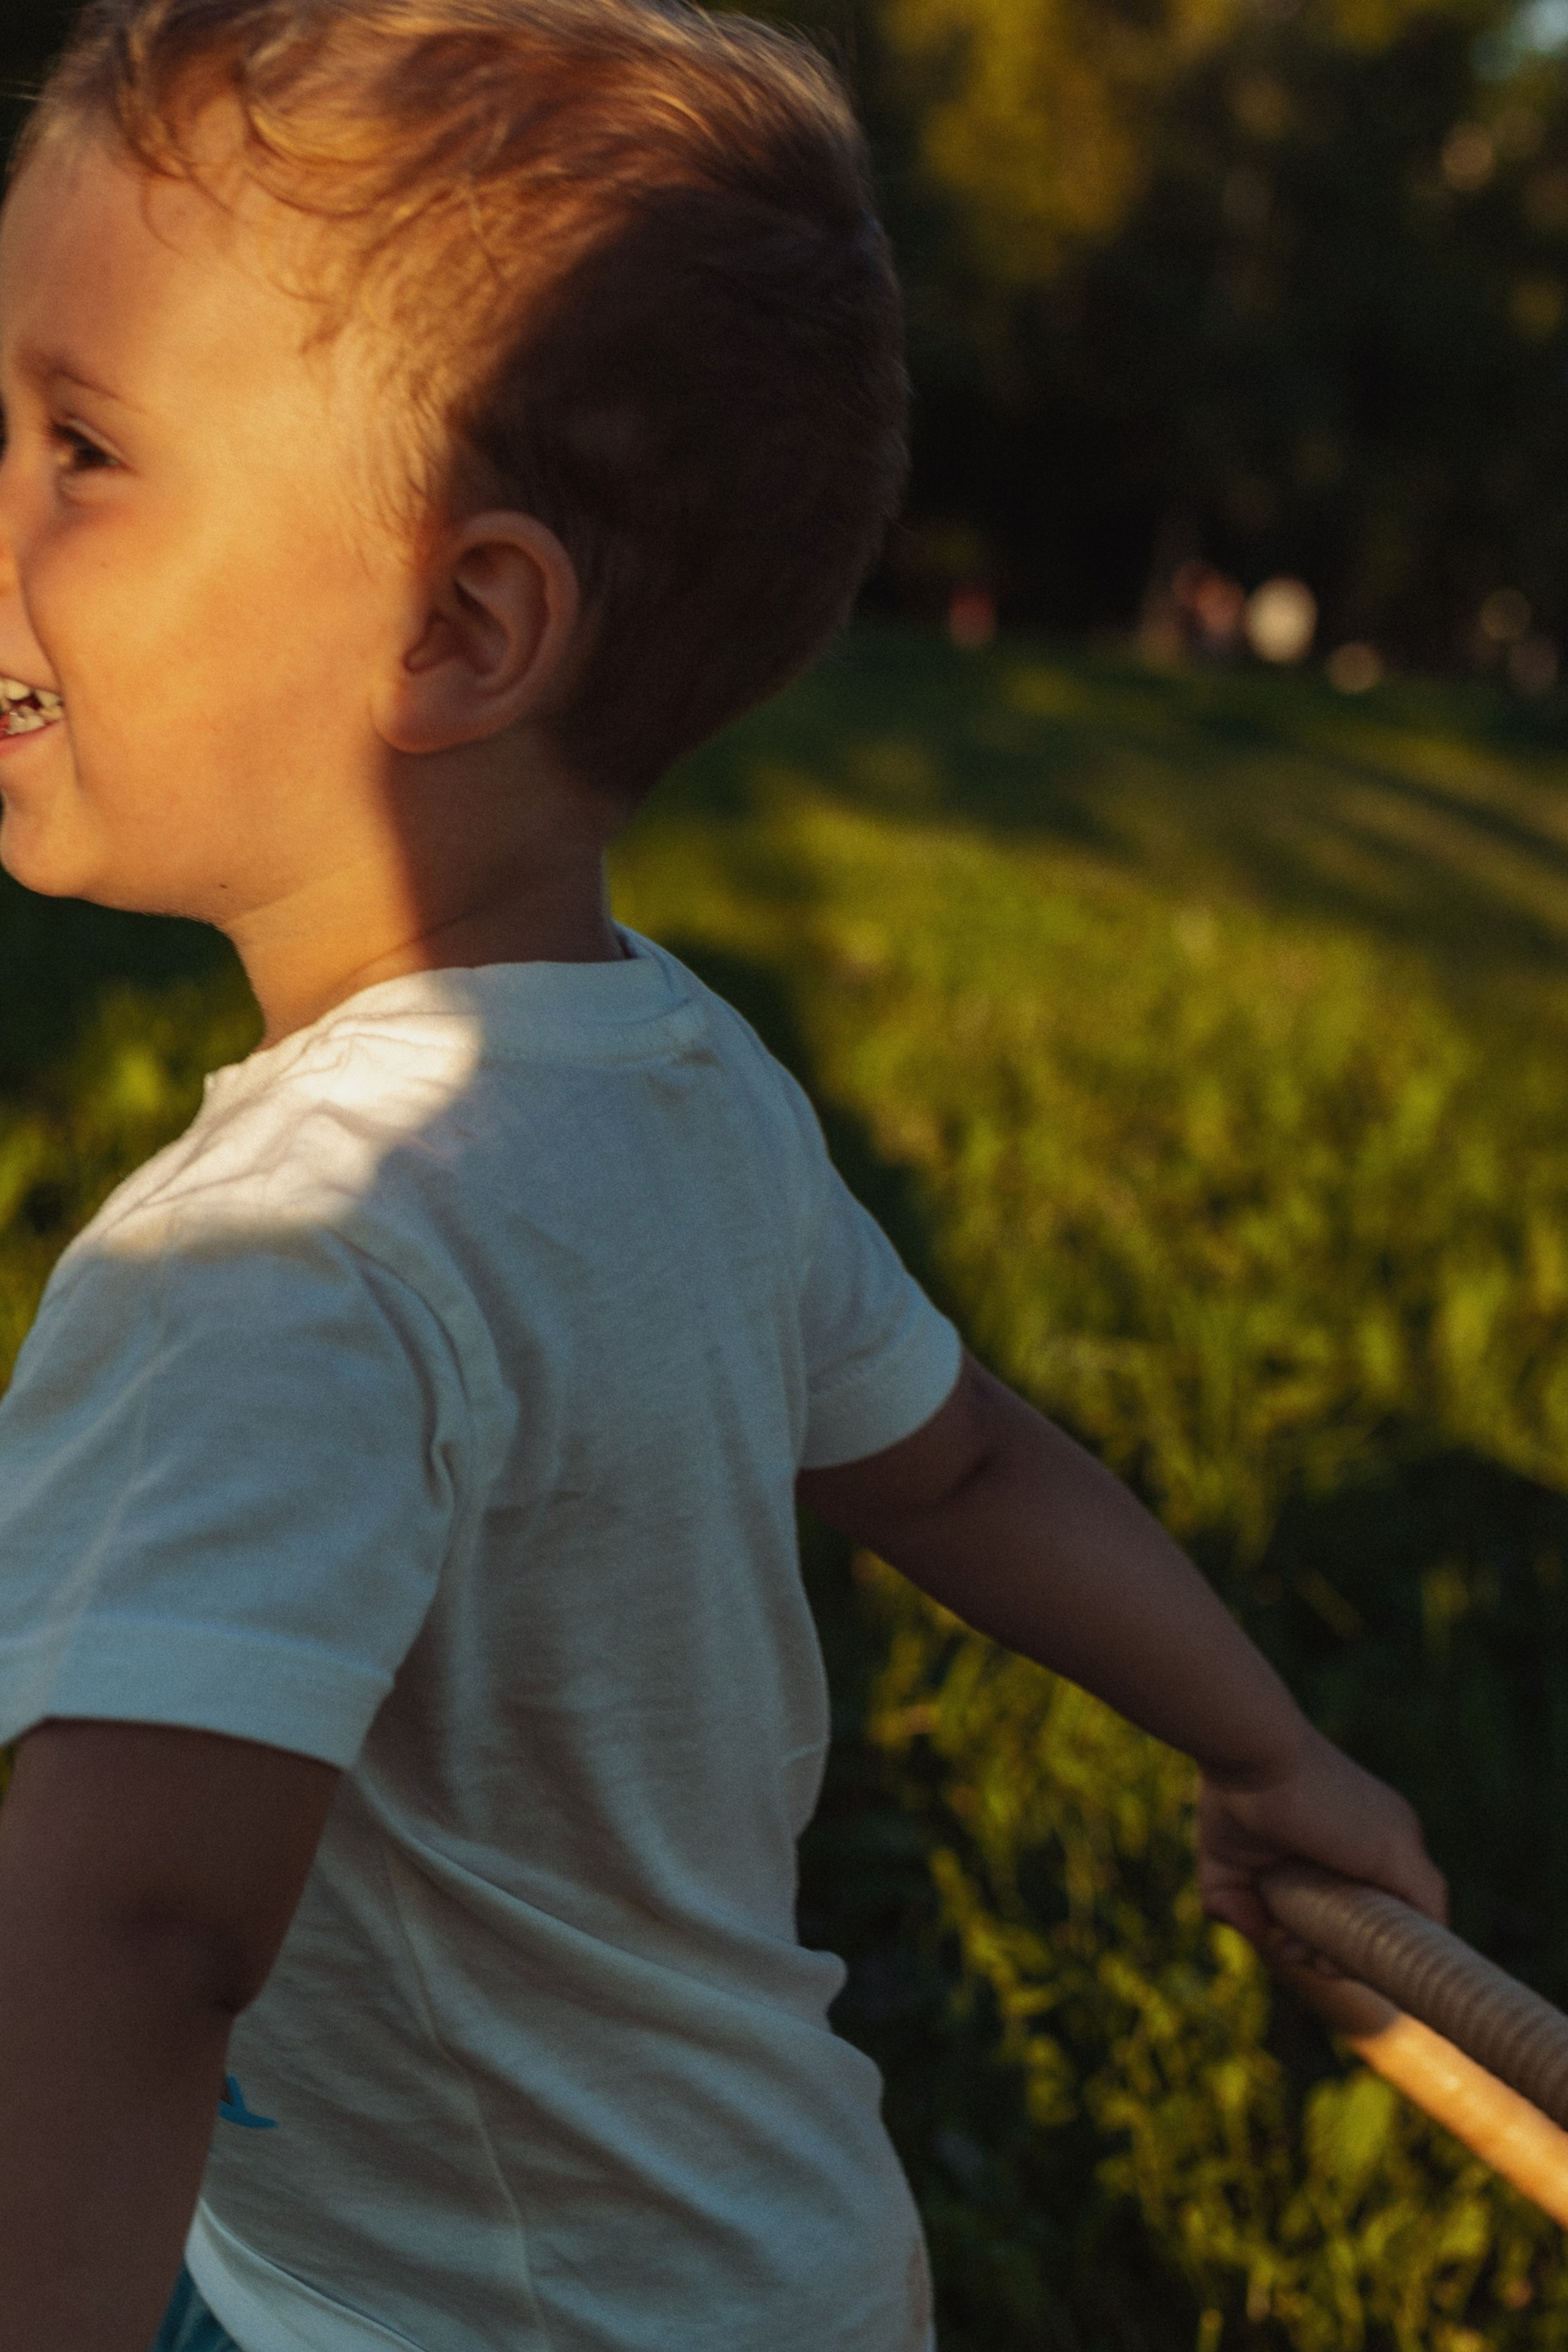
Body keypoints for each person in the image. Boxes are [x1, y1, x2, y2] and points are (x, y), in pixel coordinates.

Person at [0, 2, 1445, 2348]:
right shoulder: (684, 1077)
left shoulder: (256, 1272)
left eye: (80, 444)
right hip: (774, 2261)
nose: (5, 495)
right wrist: (1271, 1748)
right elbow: (962, 1460)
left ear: (461, 627)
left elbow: (136, 1945)